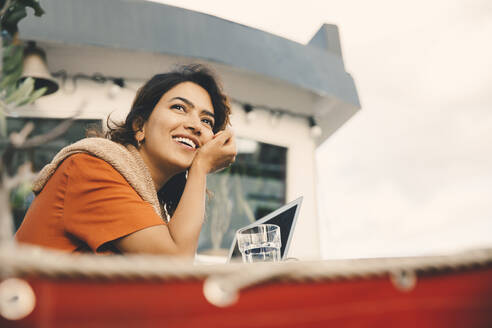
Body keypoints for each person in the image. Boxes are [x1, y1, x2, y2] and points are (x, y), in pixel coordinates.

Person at [15, 64, 236, 257]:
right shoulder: (90, 167)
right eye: (179, 107)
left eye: (206, 120)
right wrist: (200, 168)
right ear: (140, 126)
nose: (196, 125)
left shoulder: (147, 201)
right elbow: (175, 267)